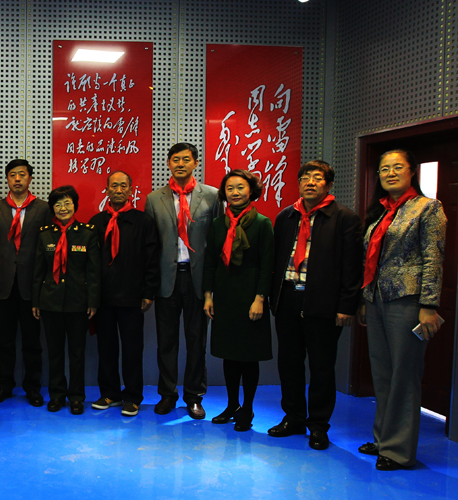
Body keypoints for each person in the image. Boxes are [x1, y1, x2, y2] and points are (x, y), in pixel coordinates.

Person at [357, 150, 446, 471]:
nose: (390, 173)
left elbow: (433, 259)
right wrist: (365, 300)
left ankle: (398, 451)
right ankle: (383, 438)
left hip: (408, 301)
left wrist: (429, 305)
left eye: (397, 167)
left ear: (411, 172)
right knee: (382, 372)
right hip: (377, 299)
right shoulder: (381, 211)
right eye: (384, 169)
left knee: (404, 375)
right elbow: (371, 259)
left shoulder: (428, 208)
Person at [267, 161, 363, 450]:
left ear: (329, 185)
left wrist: (346, 305)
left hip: (323, 302)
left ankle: (319, 425)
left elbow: (352, 267)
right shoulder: (286, 216)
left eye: (317, 178)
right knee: (289, 363)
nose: (310, 182)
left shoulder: (344, 218)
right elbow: (276, 260)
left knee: (322, 367)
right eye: (305, 178)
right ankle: (293, 418)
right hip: (287, 298)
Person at [144, 143, 219, 419]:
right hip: (167, 280)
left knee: (197, 341)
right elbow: (150, 247)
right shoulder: (154, 199)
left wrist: (213, 287)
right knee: (166, 341)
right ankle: (167, 394)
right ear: (168, 163)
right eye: (175, 160)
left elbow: (217, 241)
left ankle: (194, 396)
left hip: (198, 280)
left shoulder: (212, 196)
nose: (180, 164)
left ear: (195, 163)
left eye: (186, 160)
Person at [202, 169, 274, 432]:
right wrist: (208, 295)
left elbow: (268, 266)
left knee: (248, 356)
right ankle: (232, 405)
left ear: (251, 190)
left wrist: (260, 299)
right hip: (225, 296)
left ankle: (248, 408)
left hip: (250, 297)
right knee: (229, 355)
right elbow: (210, 262)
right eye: (230, 188)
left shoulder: (263, 223)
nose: (235, 192)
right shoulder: (218, 224)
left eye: (240, 187)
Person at [88, 170, 160, 416]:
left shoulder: (143, 221)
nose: (118, 190)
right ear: (106, 190)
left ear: (131, 191)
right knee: (106, 347)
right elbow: (89, 264)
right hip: (103, 299)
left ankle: (132, 397)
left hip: (132, 297)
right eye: (114, 186)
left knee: (132, 349)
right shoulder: (96, 222)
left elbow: (152, 260)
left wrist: (148, 292)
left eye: (123, 186)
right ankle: (109, 394)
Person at [0, 159, 51, 407]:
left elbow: (48, 250)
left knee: (32, 342)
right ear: (7, 180)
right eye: (13, 175)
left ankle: (32, 388)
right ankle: (4, 386)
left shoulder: (43, 209)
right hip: (2, 285)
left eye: (22, 175)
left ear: (30, 179)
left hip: (32, 286)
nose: (17, 179)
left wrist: (44, 285)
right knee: (4, 341)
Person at [32, 186, 100, 415]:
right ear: (52, 208)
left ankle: (77, 397)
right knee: (55, 351)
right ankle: (57, 395)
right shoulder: (44, 233)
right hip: (50, 301)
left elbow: (93, 271)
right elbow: (38, 271)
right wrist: (35, 301)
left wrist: (93, 301)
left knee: (77, 352)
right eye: (58, 204)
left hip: (78, 302)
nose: (63, 208)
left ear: (75, 206)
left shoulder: (87, 233)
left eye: (67, 203)